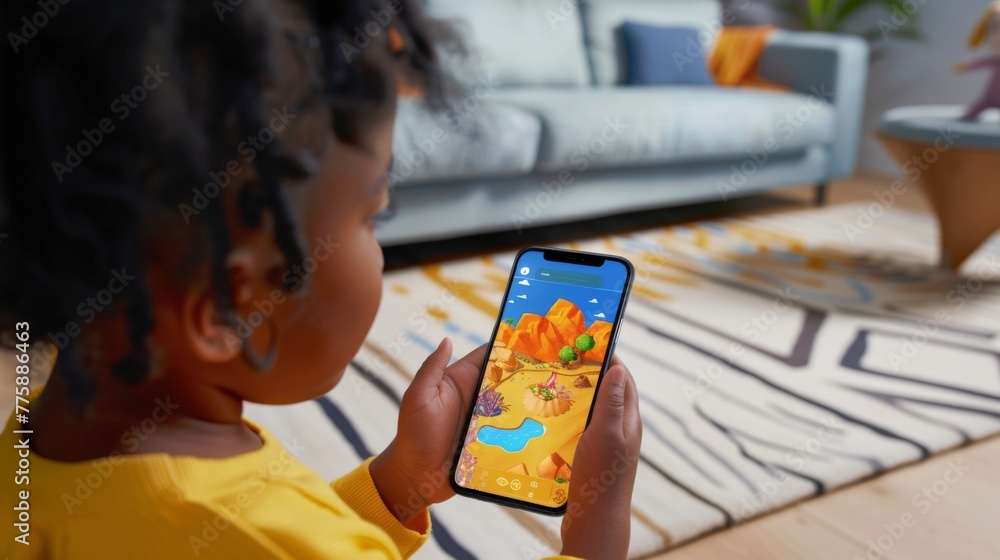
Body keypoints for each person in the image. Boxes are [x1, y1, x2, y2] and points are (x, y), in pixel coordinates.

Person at [0, 1, 642, 559]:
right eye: (373, 215)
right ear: (227, 309)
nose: (379, 251)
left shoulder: (32, 444)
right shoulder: (267, 534)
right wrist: (595, 530)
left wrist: (402, 481)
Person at [957, 0, 1000, 120]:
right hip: (989, 98)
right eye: (995, 27)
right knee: (973, 112)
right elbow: (980, 63)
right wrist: (967, 65)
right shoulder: (994, 61)